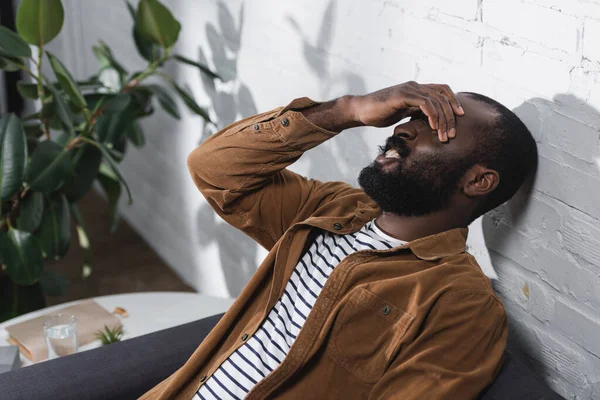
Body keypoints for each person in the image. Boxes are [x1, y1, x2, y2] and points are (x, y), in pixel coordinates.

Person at [141, 81, 537, 400]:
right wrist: (347, 110)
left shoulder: (461, 305)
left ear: (478, 181)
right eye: (414, 115)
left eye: (437, 127)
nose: (403, 129)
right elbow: (212, 168)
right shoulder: (333, 209)